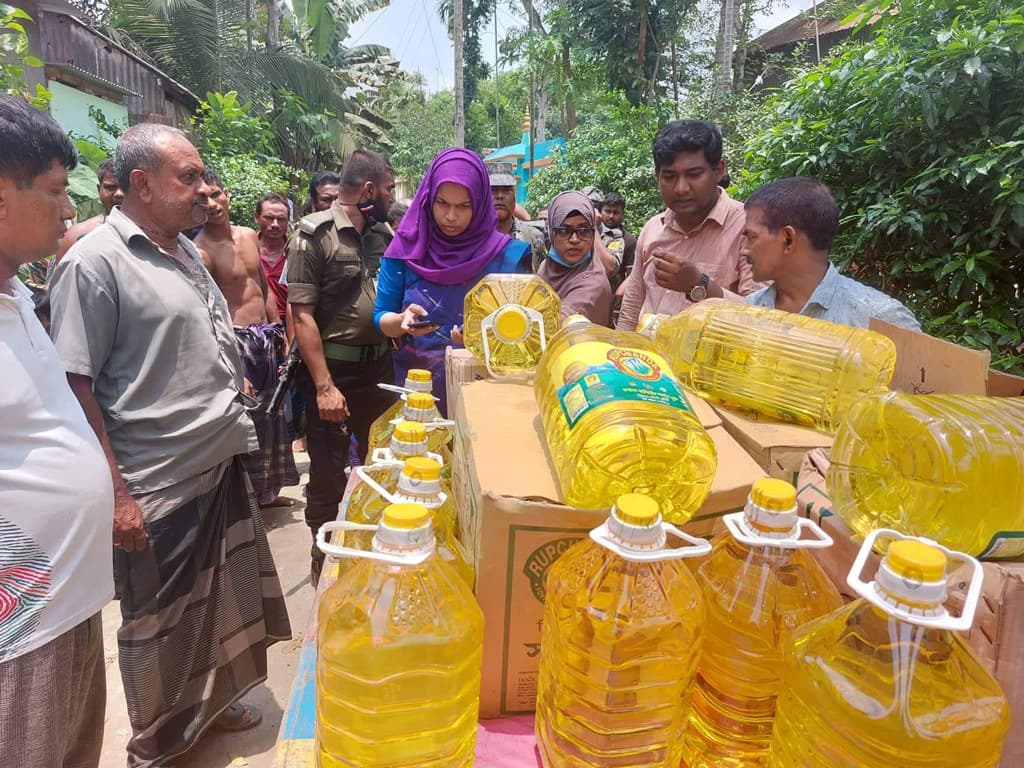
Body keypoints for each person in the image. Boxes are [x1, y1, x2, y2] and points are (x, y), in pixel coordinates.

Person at [48, 123, 291, 768]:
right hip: (156, 481)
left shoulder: (181, 248)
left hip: (216, 461)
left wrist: (224, 370)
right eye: (189, 177)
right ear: (140, 184)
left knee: (220, 606)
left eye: (204, 176)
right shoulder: (94, 261)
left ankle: (210, 709)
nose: (206, 190)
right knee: (161, 625)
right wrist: (118, 495)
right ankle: (156, 743)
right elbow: (75, 382)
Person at [0, 94, 114, 768]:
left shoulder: (17, 297)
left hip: (71, 608)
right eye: (53, 190)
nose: (70, 209)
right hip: (18, 631)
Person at [286, 149, 398, 584]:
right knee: (330, 473)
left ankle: (372, 549)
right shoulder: (315, 234)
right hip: (334, 374)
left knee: (380, 467)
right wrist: (324, 386)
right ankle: (323, 554)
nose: (390, 197)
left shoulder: (383, 233)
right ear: (368, 191)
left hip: (379, 372)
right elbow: (303, 315)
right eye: (387, 189)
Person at [375, 147, 532, 413]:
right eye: (442, 203)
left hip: (488, 397)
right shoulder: (404, 250)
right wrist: (401, 322)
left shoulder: (508, 257)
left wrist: (480, 341)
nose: (450, 216)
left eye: (463, 206)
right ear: (428, 198)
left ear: (481, 203)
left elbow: (526, 339)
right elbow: (381, 317)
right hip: (418, 395)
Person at [196, 171, 299, 508]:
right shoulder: (201, 250)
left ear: (227, 195)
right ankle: (248, 501)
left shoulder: (246, 236)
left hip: (266, 338)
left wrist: (278, 330)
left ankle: (271, 493)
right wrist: (230, 365)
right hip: (235, 340)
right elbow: (208, 312)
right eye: (203, 198)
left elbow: (264, 288)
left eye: (216, 195)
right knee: (245, 419)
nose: (211, 204)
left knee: (274, 416)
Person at [616, 120, 761, 331]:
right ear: (657, 177)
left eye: (694, 175)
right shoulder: (652, 229)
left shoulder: (748, 229)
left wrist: (699, 285)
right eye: (669, 176)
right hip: (644, 361)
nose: (681, 188)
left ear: (719, 170)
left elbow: (760, 319)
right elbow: (631, 308)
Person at [741, 177, 921, 330]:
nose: (744, 250)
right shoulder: (749, 311)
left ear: (788, 239)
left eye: (751, 237)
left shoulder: (880, 319)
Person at [538, 191, 612, 325]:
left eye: (584, 230)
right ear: (550, 233)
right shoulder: (546, 266)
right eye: (564, 231)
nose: (574, 239)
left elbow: (553, 325)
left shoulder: (594, 284)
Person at [55, 157, 124, 262]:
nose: (119, 194)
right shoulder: (76, 236)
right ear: (98, 189)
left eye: (125, 187)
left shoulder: (154, 234)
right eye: (110, 187)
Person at [489, 162, 546, 270]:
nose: (500, 196)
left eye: (506, 190)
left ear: (515, 196)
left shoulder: (534, 236)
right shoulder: (473, 238)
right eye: (493, 190)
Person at [255, 192, 292, 323]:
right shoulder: (246, 249)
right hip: (257, 323)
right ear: (257, 217)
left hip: (291, 322)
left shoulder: (296, 251)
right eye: (269, 218)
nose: (275, 224)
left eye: (281, 219)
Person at [600, 190, 637, 291]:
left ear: (622, 214)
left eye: (616, 213)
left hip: (613, 297)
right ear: (600, 211)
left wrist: (619, 295)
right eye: (608, 211)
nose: (611, 216)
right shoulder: (590, 234)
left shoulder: (629, 241)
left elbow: (632, 276)